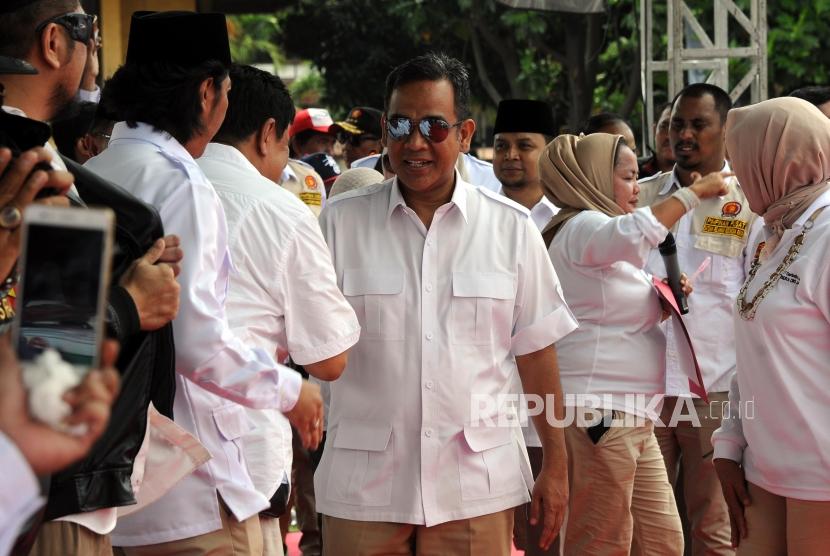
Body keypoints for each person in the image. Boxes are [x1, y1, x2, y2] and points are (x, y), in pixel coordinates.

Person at [317, 52, 578, 555]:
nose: (414, 143)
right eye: (399, 124)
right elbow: (314, 352)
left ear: (463, 134)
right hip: (364, 488)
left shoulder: (510, 229)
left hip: (475, 486)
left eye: (434, 126)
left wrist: (557, 465)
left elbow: (537, 353)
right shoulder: (339, 224)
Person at [85, 11, 323, 554]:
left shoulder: (99, 167)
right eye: (225, 88)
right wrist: (291, 390)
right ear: (207, 93)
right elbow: (196, 341)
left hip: (116, 485)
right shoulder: (179, 181)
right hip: (191, 491)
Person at [1, 4, 183, 553]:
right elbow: (47, 370)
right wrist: (130, 303)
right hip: (40, 493)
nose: (97, 53)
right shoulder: (28, 169)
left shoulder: (42, 159)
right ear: (55, 43)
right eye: (94, 36)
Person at [197, 63, 359, 556]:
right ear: (269, 133)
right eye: (288, 145)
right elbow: (328, 360)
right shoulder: (278, 207)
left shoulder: (141, 179)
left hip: (133, 467)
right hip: (236, 471)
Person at [540, 132, 729, 555]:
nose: (635, 189)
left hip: (631, 412)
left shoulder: (591, 233)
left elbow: (608, 305)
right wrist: (694, 193)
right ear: (593, 179)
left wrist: (658, 298)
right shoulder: (584, 224)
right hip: (602, 410)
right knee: (601, 539)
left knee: (661, 539)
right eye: (627, 178)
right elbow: (631, 232)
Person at [639, 83, 756, 556]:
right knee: (645, 524)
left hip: (716, 387)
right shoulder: (642, 196)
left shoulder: (748, 201)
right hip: (643, 383)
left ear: (725, 132)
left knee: (713, 525)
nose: (684, 135)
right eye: (677, 124)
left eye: (698, 124)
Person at [712, 96, 830, 555]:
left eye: (740, 161)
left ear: (776, 160)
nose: (736, 175)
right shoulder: (773, 230)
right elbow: (757, 353)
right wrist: (728, 444)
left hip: (821, 476)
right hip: (762, 467)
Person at [490, 98, 559, 556]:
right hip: (486, 416)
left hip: (546, 414)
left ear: (548, 152)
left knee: (545, 538)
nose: (511, 155)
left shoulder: (570, 221)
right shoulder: (478, 219)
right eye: (502, 145)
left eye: (524, 145)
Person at [638, 102, 675, 178]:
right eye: (664, 127)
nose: (669, 136)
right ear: (654, 130)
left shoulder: (702, 177)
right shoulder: (634, 171)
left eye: (678, 127)